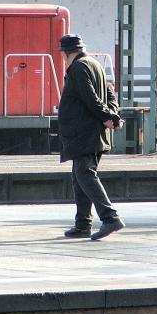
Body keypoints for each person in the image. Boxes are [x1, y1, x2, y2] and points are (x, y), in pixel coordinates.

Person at [57, 33, 125, 240]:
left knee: (85, 174)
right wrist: (112, 115)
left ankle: (110, 218)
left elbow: (90, 98)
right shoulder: (95, 64)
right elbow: (109, 92)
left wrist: (110, 117)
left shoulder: (78, 68)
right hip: (92, 133)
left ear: (67, 53)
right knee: (79, 177)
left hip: (84, 133)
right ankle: (83, 224)